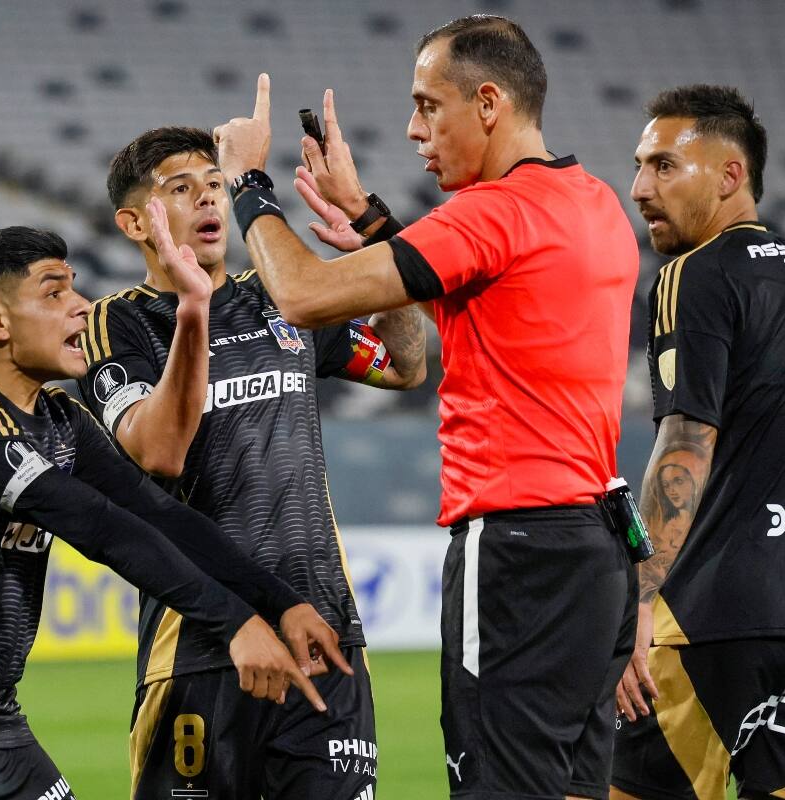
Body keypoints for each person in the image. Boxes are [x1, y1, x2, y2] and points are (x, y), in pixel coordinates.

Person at [207, 14, 641, 799]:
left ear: (487, 102)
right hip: (596, 552)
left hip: (516, 551)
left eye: (426, 106)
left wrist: (246, 184)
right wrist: (372, 220)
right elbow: (485, 306)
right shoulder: (594, 202)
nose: (413, 129)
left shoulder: (492, 212)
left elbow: (301, 295)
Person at [0, 226, 347, 800]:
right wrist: (236, 623)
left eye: (74, 287)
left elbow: (158, 515)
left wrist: (280, 603)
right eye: (53, 294)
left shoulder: (60, 420)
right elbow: (103, 529)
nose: (82, 305)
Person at [78, 126, 426, 799]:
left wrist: (381, 271)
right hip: (202, 647)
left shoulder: (281, 300)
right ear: (133, 222)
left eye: (214, 184)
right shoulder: (118, 324)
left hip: (326, 637)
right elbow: (158, 451)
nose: (209, 201)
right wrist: (193, 313)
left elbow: (406, 367)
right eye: (181, 190)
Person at [611, 85, 785, 800]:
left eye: (664, 166)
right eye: (639, 166)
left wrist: (635, 597)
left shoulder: (694, 273)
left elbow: (687, 441)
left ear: (730, 175)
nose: (639, 189)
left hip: (714, 616)